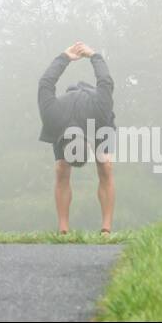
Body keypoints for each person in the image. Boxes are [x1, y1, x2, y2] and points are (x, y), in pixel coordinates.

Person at [37, 40, 116, 235]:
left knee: (105, 165)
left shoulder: (100, 109)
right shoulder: (53, 116)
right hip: (64, 116)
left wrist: (94, 56)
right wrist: (64, 57)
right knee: (61, 169)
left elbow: (105, 81)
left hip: (97, 119)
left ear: (90, 145)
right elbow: (45, 83)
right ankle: (63, 229)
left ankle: (106, 228)